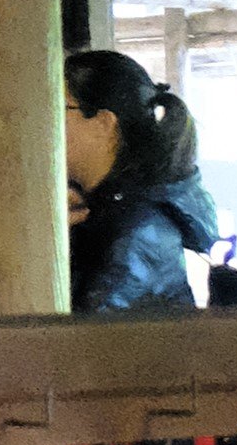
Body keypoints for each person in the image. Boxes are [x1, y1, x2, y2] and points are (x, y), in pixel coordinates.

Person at [64, 48, 216, 315]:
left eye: (58, 108)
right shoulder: (105, 210)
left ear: (103, 123)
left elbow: (82, 343)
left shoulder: (140, 230)